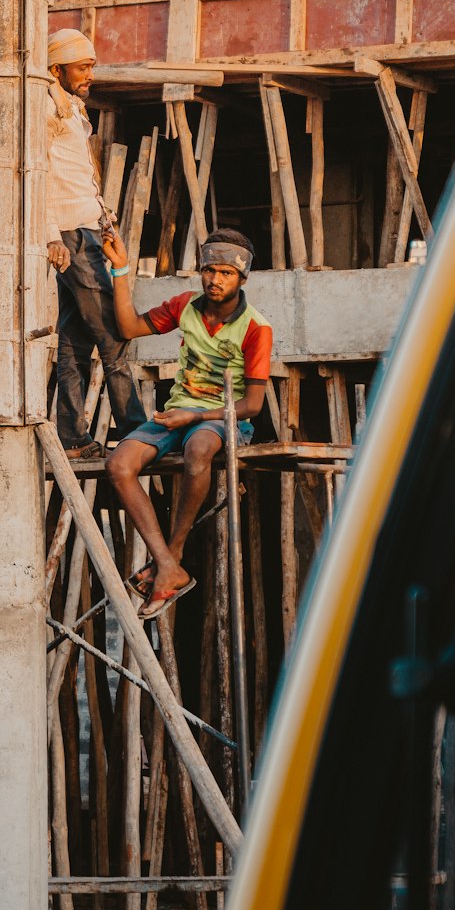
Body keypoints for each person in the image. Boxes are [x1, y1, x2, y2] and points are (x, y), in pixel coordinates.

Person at [103, 226, 272, 619]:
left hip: (221, 418)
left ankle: (174, 552)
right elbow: (129, 328)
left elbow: (251, 405)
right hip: (177, 412)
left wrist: (195, 415)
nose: (215, 280)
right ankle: (167, 565)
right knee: (118, 464)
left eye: (226, 273)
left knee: (199, 449)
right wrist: (121, 268)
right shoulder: (185, 305)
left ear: (242, 277)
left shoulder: (256, 328)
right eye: (209, 270)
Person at [46, 27, 147, 457]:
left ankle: (71, 437)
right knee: (113, 334)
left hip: (85, 227)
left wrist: (102, 216)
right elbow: (37, 173)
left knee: (74, 340)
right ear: (57, 68)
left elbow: (74, 172)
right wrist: (51, 234)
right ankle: (135, 428)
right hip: (71, 233)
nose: (90, 73)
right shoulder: (44, 106)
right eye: (83, 67)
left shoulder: (69, 105)